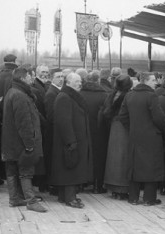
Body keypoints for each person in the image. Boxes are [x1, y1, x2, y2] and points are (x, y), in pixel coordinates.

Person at [1, 66, 47, 212]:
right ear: (22, 78)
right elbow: (24, 123)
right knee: (26, 171)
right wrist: (29, 144)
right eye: (29, 76)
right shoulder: (20, 95)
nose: (32, 78)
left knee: (12, 169)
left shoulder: (12, 92)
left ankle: (14, 198)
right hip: (21, 142)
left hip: (11, 142)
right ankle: (31, 201)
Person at [119, 71, 165, 205]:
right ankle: (149, 198)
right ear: (145, 81)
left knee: (134, 165)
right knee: (151, 166)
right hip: (152, 136)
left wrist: (132, 128)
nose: (155, 83)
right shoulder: (151, 96)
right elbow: (159, 117)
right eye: (153, 80)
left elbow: (122, 116)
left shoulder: (129, 95)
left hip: (135, 136)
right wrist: (163, 130)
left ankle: (133, 197)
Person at [49, 72, 93, 208]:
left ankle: (65, 196)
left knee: (71, 169)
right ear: (68, 83)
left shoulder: (70, 96)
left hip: (74, 140)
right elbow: (64, 121)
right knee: (70, 170)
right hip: (70, 142)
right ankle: (70, 198)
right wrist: (71, 141)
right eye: (76, 82)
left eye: (80, 81)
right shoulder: (64, 97)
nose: (80, 84)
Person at [102, 75, 133, 200]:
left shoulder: (111, 95)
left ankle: (112, 187)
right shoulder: (129, 96)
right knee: (123, 158)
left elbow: (105, 112)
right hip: (124, 128)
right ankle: (122, 188)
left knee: (113, 158)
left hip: (113, 127)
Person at [80, 70, 109, 193]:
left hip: (82, 130)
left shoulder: (79, 94)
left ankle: (81, 184)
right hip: (99, 131)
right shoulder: (104, 95)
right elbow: (107, 114)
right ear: (98, 80)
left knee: (83, 156)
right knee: (99, 158)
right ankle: (97, 185)